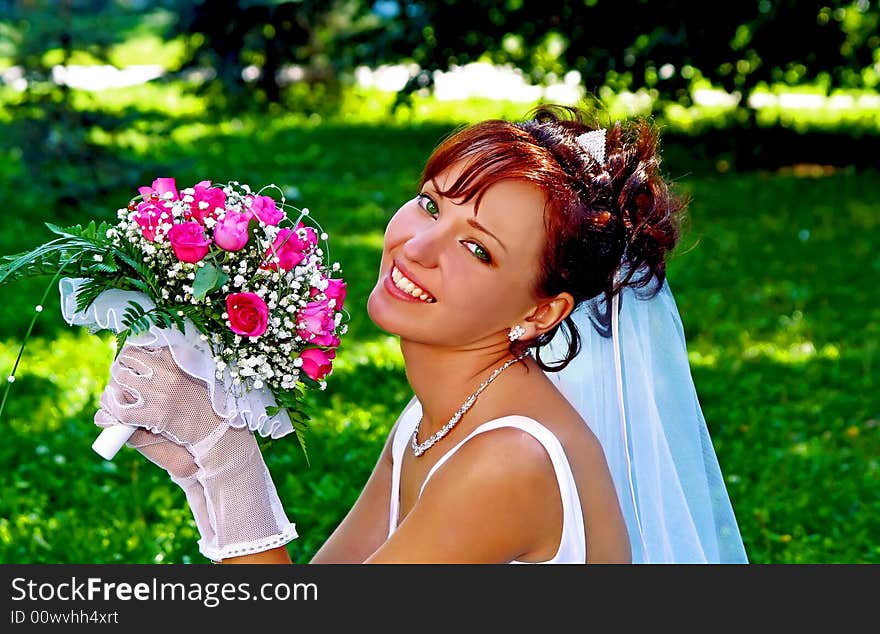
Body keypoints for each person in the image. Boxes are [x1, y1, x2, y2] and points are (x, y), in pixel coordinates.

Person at [93, 104, 747, 564]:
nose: (419, 244)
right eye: (433, 203)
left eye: (478, 248)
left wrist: (227, 458)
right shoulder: (438, 416)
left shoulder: (509, 461)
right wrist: (201, 470)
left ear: (541, 313)